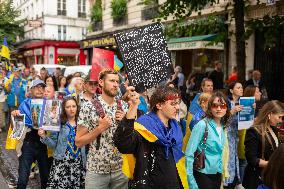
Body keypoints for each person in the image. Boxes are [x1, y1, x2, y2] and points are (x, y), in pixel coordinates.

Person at [114, 85, 188, 189]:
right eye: (173, 104)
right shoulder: (144, 127)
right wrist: (133, 107)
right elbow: (123, 144)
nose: (178, 107)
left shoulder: (176, 127)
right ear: (159, 105)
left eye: (178, 103)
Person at [75, 69, 129, 189]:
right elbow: (78, 142)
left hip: (121, 170)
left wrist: (127, 123)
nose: (115, 84)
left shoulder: (124, 106)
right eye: (111, 81)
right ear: (101, 82)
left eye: (117, 81)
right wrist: (100, 128)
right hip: (96, 170)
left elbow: (131, 138)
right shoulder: (88, 107)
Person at [38, 96, 86, 188]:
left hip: (78, 164)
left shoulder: (82, 123)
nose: (71, 109)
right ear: (64, 109)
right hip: (62, 163)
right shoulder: (59, 124)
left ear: (77, 107)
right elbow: (54, 145)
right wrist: (44, 136)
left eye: (73, 106)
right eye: (68, 107)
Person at [186, 91, 230, 189]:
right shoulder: (202, 125)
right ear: (210, 107)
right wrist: (191, 182)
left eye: (222, 106)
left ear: (226, 108)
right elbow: (189, 153)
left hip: (217, 173)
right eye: (215, 105)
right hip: (202, 173)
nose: (219, 109)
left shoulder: (224, 126)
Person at [12, 79, 49, 189]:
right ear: (31, 90)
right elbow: (17, 130)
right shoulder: (24, 104)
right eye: (37, 87)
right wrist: (14, 116)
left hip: (44, 143)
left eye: (42, 87)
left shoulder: (50, 104)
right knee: (23, 178)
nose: (39, 89)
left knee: (46, 178)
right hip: (28, 143)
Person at [243, 100, 284, 189]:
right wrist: (273, 164)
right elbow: (252, 159)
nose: (280, 120)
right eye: (279, 117)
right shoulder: (254, 131)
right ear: (269, 114)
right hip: (256, 178)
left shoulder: (274, 130)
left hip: (269, 177)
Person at [238, 85, 262, 183]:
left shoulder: (256, 106)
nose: (260, 93)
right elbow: (245, 124)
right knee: (244, 163)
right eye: (257, 91)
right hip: (244, 136)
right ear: (252, 94)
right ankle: (241, 183)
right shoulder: (244, 106)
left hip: (250, 138)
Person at [224, 81, 244, 188]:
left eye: (242, 88)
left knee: (234, 157)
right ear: (231, 90)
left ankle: (236, 180)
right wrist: (233, 111)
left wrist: (250, 110)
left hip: (235, 134)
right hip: (226, 134)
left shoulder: (242, 102)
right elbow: (222, 119)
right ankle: (227, 181)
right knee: (228, 157)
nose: (241, 89)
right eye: (238, 88)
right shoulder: (226, 102)